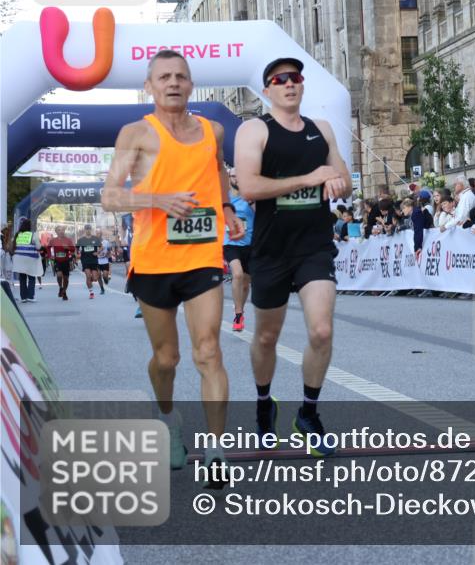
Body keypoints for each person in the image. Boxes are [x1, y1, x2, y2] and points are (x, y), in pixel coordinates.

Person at [102, 49, 244, 481]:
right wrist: (157, 200)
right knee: (167, 359)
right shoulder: (135, 134)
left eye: (181, 75)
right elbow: (110, 197)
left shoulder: (212, 130)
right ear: (149, 86)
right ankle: (167, 420)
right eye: (163, 76)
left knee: (208, 351)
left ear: (191, 83)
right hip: (153, 260)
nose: (173, 82)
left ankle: (216, 451)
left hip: (201, 255)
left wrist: (226, 207)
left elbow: (216, 167)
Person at [235, 56, 351, 457]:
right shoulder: (254, 130)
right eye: (279, 79)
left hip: (314, 247)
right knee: (267, 336)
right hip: (270, 250)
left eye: (295, 78)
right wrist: (308, 179)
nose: (289, 84)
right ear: (267, 90)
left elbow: (346, 182)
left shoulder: (322, 130)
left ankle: (309, 413)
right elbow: (248, 186)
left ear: (302, 86)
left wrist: (335, 182)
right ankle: (265, 404)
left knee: (321, 331)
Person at [223, 168, 255, 332]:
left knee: (245, 283)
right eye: (233, 176)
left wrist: (251, 201)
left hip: (249, 243)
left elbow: (261, 214)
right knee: (237, 274)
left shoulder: (250, 195)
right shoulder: (225, 197)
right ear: (228, 178)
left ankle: (241, 312)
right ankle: (237, 313)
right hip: (230, 242)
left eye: (239, 175)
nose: (236, 178)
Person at [10, 219, 42, 303]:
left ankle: (23, 297)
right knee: (31, 277)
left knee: (22, 278)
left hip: (18, 259)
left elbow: (12, 246)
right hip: (29, 259)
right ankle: (30, 296)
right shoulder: (33, 235)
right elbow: (38, 247)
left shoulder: (17, 235)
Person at [47, 226, 76, 301]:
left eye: (62, 230)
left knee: (66, 278)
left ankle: (64, 291)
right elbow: (48, 248)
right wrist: (50, 256)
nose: (61, 231)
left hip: (66, 261)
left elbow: (73, 249)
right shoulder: (53, 240)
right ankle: (60, 287)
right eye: (59, 230)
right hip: (57, 261)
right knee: (59, 275)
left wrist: (68, 248)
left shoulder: (68, 240)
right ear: (56, 232)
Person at [76, 224, 105, 298]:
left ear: (91, 230)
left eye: (89, 229)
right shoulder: (81, 240)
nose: (88, 230)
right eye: (86, 229)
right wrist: (77, 254)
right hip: (85, 260)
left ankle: (91, 279)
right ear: (85, 230)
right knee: (88, 276)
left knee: (95, 278)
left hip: (94, 260)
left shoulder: (95, 238)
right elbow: (76, 249)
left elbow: (102, 247)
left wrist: (98, 252)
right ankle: (91, 293)